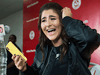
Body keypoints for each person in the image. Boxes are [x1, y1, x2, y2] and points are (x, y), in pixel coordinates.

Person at [12, 2, 100, 75]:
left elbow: (89, 38)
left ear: (62, 22)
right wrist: (25, 69)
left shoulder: (77, 45)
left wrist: (67, 19)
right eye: (43, 20)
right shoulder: (41, 48)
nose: (47, 24)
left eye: (52, 18)